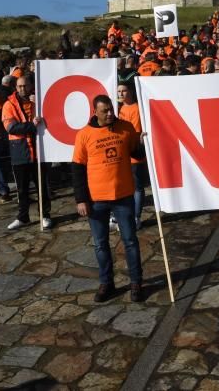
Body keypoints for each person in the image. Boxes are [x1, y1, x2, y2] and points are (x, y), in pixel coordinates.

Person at [72, 94, 145, 303]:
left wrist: (143, 144)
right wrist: (81, 199)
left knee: (130, 240)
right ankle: (107, 283)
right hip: (96, 200)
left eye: (112, 109)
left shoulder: (126, 128)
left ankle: (136, 283)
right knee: (100, 244)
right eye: (105, 111)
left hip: (123, 196)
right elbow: (77, 168)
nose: (111, 113)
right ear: (95, 112)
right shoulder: (84, 135)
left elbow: (136, 154)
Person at [2, 76, 53, 231]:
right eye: (19, 86)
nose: (22, 89)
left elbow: (51, 118)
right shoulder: (8, 104)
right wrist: (31, 125)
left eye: (25, 85)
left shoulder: (39, 101)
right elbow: (11, 128)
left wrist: (38, 104)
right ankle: (23, 217)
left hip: (39, 149)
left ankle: (45, 215)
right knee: (22, 188)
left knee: (42, 186)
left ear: (31, 85)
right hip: (20, 150)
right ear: (15, 88)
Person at [117, 82, 149, 228]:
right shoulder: (119, 109)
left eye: (124, 91)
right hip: (122, 153)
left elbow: (138, 131)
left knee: (137, 187)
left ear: (130, 91)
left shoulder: (138, 108)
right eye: (119, 91)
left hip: (135, 151)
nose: (121, 94)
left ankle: (136, 217)